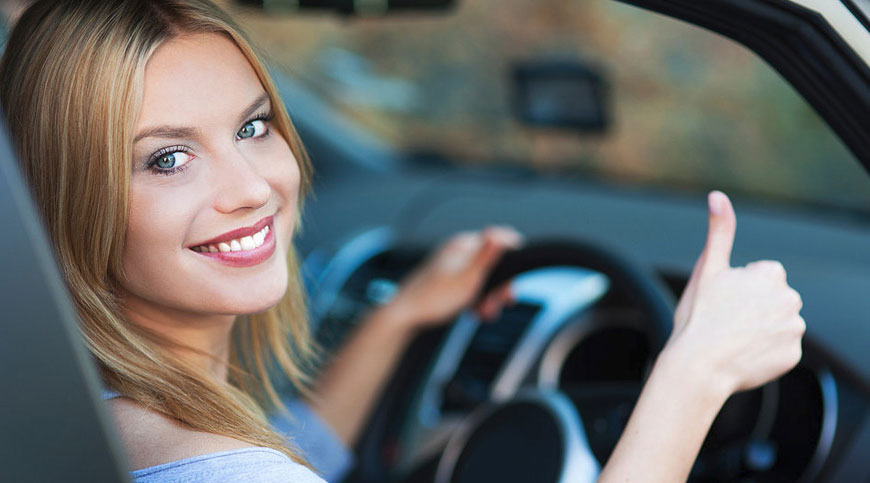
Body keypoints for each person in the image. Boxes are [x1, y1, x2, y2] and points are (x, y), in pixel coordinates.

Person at [0, 0, 805, 482]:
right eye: (167, 157)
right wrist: (696, 374)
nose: (251, 187)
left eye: (252, 126)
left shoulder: (103, 418)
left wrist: (400, 317)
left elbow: (289, 449)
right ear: (66, 199)